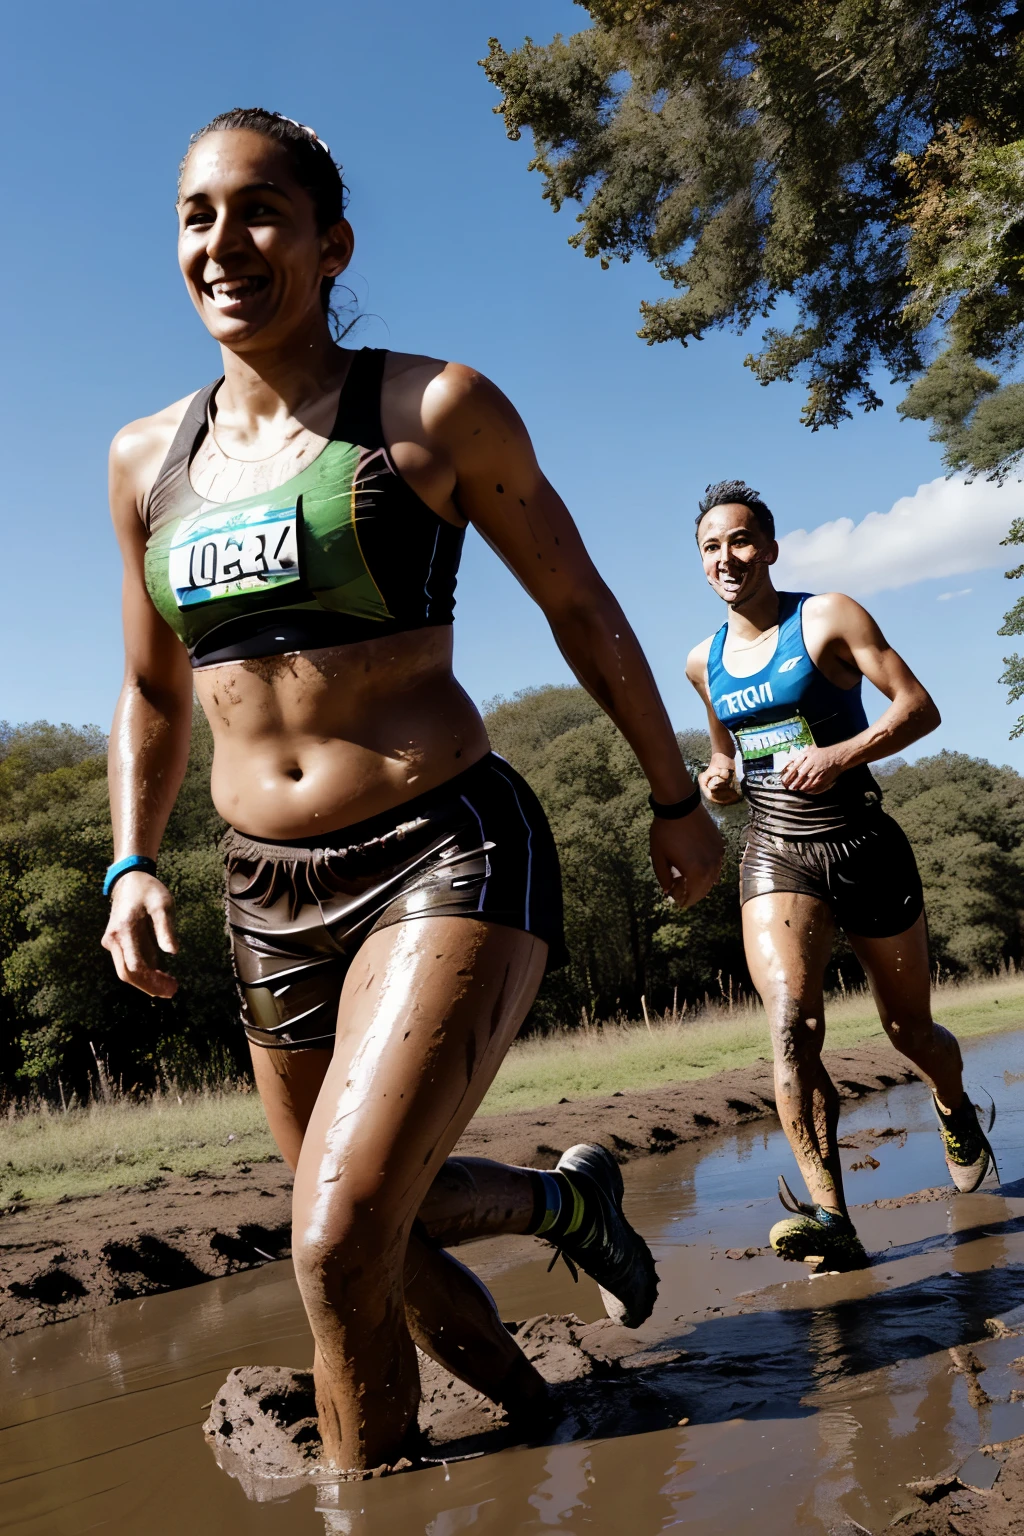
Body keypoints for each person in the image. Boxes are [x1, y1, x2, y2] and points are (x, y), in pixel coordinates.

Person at [100, 107, 723, 1474]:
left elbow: (581, 608)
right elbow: (152, 693)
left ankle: (365, 1499)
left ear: (332, 245)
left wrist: (675, 798)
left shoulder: (431, 408)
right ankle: (551, 1351)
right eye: (196, 216)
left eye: (259, 211)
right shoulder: (147, 463)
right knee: (370, 1232)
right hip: (265, 893)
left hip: (441, 851)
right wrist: (129, 863)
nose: (223, 243)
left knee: (332, 1239)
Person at [685, 480, 996, 1273]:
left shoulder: (827, 617)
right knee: (791, 1019)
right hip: (777, 850)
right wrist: (715, 783)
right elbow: (727, 759)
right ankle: (831, 1217)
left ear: (773, 547)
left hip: (863, 841)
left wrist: (839, 754)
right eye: (713, 546)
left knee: (910, 1032)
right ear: (701, 560)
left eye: (744, 539)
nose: (730, 557)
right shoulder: (702, 661)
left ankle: (955, 1108)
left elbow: (918, 709)